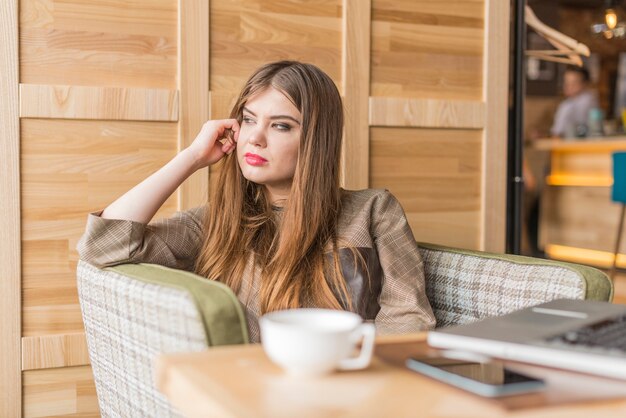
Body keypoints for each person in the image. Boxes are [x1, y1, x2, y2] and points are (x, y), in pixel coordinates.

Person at [77, 61, 436, 342]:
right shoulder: (215, 223)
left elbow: (408, 316)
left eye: (281, 126)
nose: (255, 139)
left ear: (315, 140)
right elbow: (102, 245)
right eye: (248, 120)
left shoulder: (373, 210)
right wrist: (191, 157)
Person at [550, 66, 599, 138]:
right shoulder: (592, 98)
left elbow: (557, 133)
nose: (568, 86)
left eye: (574, 83)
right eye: (566, 82)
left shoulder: (569, 105)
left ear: (585, 83)